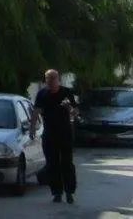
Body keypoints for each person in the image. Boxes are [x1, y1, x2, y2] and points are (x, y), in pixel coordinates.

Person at [32, 69, 80, 204]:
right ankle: (56, 192)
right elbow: (36, 112)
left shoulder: (66, 93)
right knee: (52, 164)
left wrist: (69, 107)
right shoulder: (42, 94)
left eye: (53, 78)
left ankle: (69, 192)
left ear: (58, 79)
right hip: (49, 134)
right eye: (48, 78)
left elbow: (75, 112)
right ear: (45, 80)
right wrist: (32, 129)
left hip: (65, 133)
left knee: (67, 163)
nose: (51, 81)